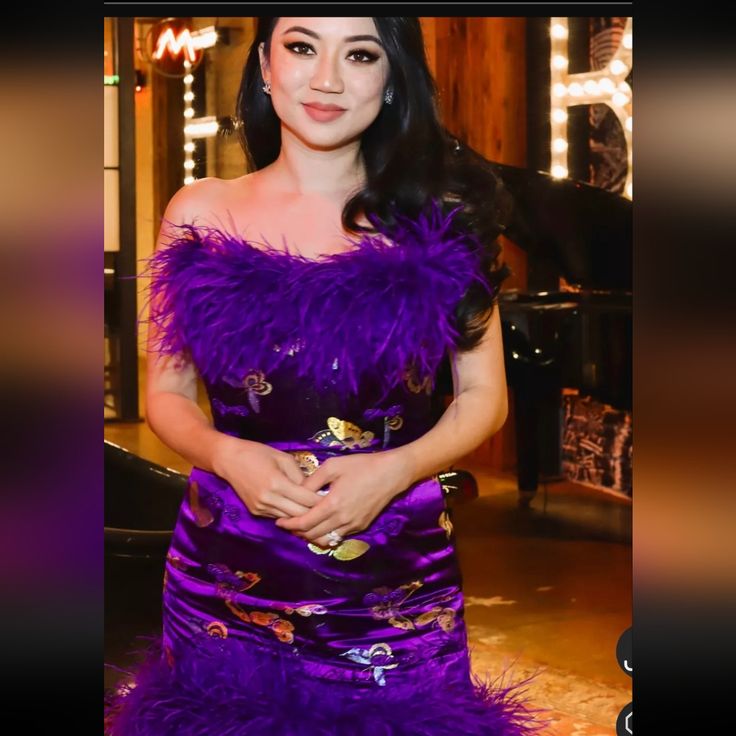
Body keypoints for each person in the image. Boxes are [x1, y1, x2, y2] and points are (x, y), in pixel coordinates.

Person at [105, 16, 550, 735]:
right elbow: (165, 394)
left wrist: (393, 471)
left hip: (393, 570)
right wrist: (227, 454)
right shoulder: (200, 212)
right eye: (303, 46)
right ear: (264, 62)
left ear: (393, 77)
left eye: (362, 54)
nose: (328, 79)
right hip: (228, 557)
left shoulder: (439, 219)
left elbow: (483, 399)